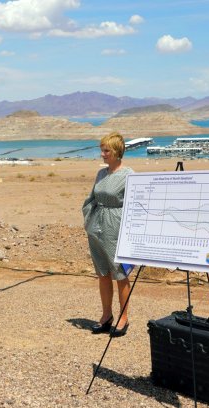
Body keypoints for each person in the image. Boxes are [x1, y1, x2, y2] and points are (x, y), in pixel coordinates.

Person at [82, 132, 134, 337]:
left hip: (117, 227)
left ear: (117, 152)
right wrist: (89, 221)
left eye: (106, 151)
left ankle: (123, 317)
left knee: (120, 273)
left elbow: (136, 204)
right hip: (97, 227)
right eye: (101, 150)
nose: (102, 154)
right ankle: (106, 315)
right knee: (103, 273)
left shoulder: (129, 174)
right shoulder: (101, 174)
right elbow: (91, 198)